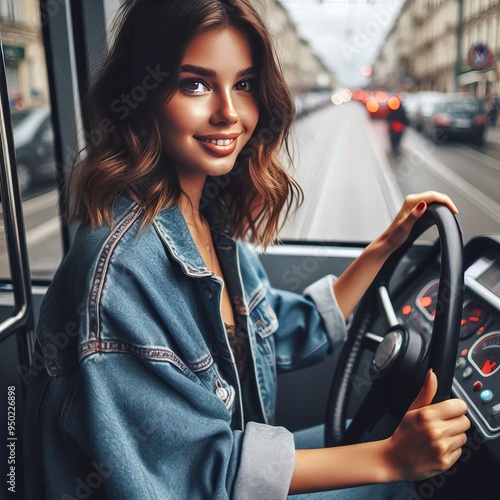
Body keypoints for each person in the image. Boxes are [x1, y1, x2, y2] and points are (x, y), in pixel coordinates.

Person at [23, 1, 470, 498]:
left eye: (244, 84)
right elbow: (194, 474)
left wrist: (385, 246)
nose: (229, 113)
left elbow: (281, 331)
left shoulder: (204, 219)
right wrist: (389, 459)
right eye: (194, 84)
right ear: (141, 93)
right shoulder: (120, 274)